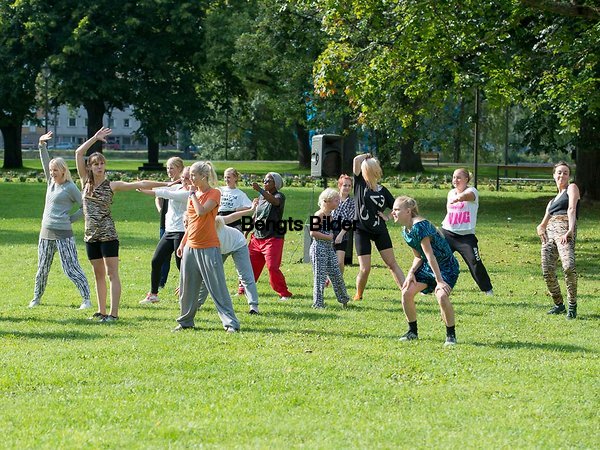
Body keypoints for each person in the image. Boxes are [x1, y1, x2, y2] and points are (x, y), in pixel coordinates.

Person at [75, 127, 168, 322]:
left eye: (102, 163)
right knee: (98, 274)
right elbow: (79, 153)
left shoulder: (112, 185)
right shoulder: (85, 182)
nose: (99, 167)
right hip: (90, 235)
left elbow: (140, 184)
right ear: (90, 167)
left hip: (108, 235)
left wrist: (168, 184)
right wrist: (95, 138)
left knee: (112, 274)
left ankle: (114, 314)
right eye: (95, 164)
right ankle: (101, 311)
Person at [174, 161, 240, 332]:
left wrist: (192, 195)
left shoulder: (214, 193)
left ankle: (231, 323)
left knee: (217, 287)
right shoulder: (194, 195)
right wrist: (183, 243)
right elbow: (191, 222)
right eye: (190, 175)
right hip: (190, 246)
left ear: (203, 176)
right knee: (187, 288)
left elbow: (202, 211)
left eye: (193, 175)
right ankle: (185, 322)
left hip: (209, 247)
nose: (190, 178)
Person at [29, 131, 91, 310]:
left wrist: (70, 220)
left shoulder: (70, 187)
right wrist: (41, 145)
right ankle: (36, 298)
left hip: (63, 234)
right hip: (45, 232)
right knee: (42, 268)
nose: (52, 173)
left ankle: (86, 299)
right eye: (51, 170)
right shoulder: (51, 182)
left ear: (63, 170)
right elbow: (45, 161)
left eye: (55, 170)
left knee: (70, 268)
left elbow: (85, 206)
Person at [391, 196, 460, 347]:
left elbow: (430, 255)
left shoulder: (420, 226)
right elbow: (419, 256)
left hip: (446, 266)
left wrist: (439, 281)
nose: (393, 213)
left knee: (441, 295)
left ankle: (451, 336)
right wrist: (411, 273)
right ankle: (412, 332)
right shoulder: (406, 230)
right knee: (406, 292)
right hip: (429, 266)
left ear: (408, 211)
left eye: (396, 209)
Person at [352, 153, 405, 301]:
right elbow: (356, 160)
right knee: (365, 268)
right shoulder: (359, 183)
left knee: (392, 264)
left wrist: (388, 217)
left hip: (379, 230)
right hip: (361, 230)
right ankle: (359, 294)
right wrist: (367, 155)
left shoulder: (383, 190)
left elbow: (397, 208)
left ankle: (406, 292)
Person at [138, 162, 189, 304]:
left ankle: (189, 293)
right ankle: (153, 294)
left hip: (181, 232)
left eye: (187, 178)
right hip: (169, 231)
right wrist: (142, 184)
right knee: (156, 261)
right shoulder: (178, 187)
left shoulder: (188, 194)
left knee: (181, 265)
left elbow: (164, 193)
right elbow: (157, 187)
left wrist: (143, 190)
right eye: (183, 177)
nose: (184, 180)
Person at [536, 161, 580, 319]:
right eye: (559, 172)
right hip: (549, 235)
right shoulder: (551, 202)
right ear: (554, 175)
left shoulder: (572, 188)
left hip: (564, 231)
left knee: (568, 267)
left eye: (565, 173)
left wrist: (570, 230)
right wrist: (540, 228)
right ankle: (559, 304)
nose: (562, 175)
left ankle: (572, 305)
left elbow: (571, 209)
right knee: (547, 271)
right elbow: (543, 223)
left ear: (569, 176)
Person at [441, 168, 493, 295]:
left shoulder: (472, 191)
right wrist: (456, 197)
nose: (455, 180)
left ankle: (487, 289)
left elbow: (467, 196)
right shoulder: (450, 193)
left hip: (465, 237)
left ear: (466, 179)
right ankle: (427, 286)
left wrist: (460, 198)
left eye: (459, 177)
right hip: (447, 233)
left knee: (475, 262)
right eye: (454, 177)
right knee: (436, 258)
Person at [196, 210, 260, 315]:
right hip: (220, 249)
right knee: (208, 275)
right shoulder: (197, 233)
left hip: (238, 243)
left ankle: (254, 307)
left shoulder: (216, 220)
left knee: (245, 275)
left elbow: (233, 216)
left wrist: (251, 210)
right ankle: (196, 304)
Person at [248, 172, 293, 301]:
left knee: (272, 267)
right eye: (264, 180)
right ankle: (243, 289)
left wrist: (260, 190)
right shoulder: (261, 197)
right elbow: (256, 215)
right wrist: (247, 230)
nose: (265, 182)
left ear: (276, 184)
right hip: (257, 237)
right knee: (250, 266)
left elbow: (274, 201)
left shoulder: (279, 196)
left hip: (273, 237)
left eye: (268, 181)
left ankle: (284, 293)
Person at [309, 188, 350, 309]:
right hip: (318, 248)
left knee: (336, 273)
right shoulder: (319, 214)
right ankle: (318, 304)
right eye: (336, 200)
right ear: (327, 201)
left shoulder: (330, 215)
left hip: (328, 248)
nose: (338, 202)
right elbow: (313, 233)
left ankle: (344, 300)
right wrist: (328, 237)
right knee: (320, 277)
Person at [332, 174, 356, 276]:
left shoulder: (352, 203)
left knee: (339, 262)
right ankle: (328, 280)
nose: (347, 188)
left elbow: (350, 221)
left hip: (342, 232)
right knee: (329, 260)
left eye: (349, 186)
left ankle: (339, 280)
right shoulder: (332, 198)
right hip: (330, 230)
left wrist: (340, 235)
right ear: (339, 186)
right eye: (345, 185)